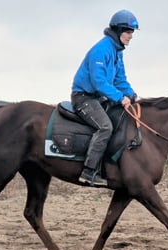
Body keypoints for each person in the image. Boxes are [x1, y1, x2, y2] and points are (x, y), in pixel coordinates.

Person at [71, 9, 139, 186]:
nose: (131, 36)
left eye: (132, 33)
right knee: (105, 127)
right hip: (84, 98)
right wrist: (119, 97)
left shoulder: (117, 52)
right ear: (118, 31)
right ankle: (89, 171)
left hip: (100, 98)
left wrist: (131, 94)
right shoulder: (101, 50)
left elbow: (120, 79)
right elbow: (99, 82)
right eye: (128, 32)